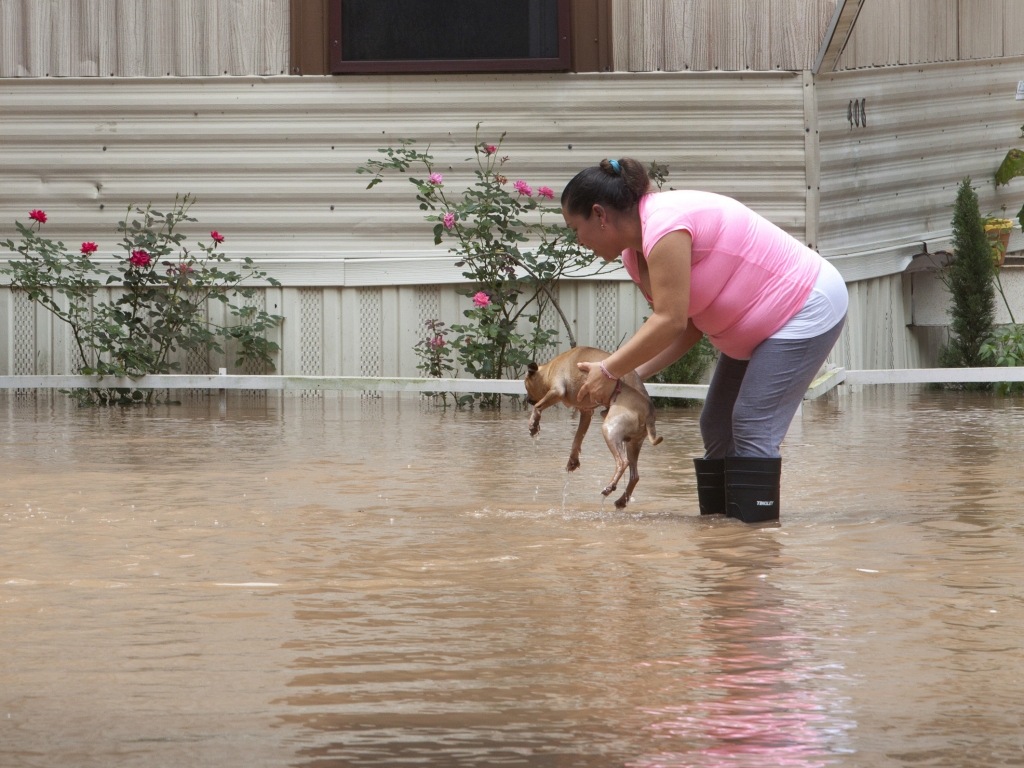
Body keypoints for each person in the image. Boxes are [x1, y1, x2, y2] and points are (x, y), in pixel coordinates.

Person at [561, 158, 848, 523]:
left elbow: (669, 321)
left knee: (750, 424)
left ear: (600, 215)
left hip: (804, 307)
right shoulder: (636, 256)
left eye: (576, 227)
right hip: (756, 326)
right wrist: (625, 380)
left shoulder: (664, 227)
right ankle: (722, 548)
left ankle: (754, 551)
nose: (578, 240)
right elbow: (688, 327)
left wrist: (608, 368)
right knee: (716, 423)